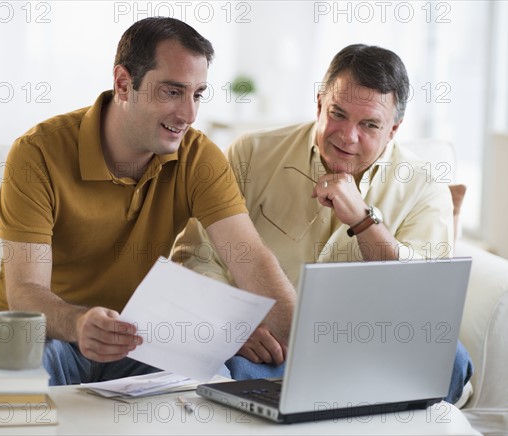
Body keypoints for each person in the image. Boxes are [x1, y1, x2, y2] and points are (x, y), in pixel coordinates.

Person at [0, 17, 296, 385]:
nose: (189, 115)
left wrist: (307, 349)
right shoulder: (37, 152)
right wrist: (80, 323)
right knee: (24, 380)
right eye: (172, 92)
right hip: (44, 333)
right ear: (123, 84)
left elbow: (252, 259)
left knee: (216, 384)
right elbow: (26, 292)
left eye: (197, 94)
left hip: (137, 340)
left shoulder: (198, 157)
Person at [172, 44, 473, 405]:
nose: (348, 136)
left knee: (450, 358)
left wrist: (365, 222)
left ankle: (327, 401)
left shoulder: (425, 189)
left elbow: (425, 301)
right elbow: (194, 256)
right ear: (319, 104)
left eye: (370, 125)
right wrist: (233, 323)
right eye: (338, 114)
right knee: (210, 357)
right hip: (268, 352)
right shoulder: (251, 154)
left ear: (394, 129)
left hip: (368, 353)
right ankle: (342, 405)